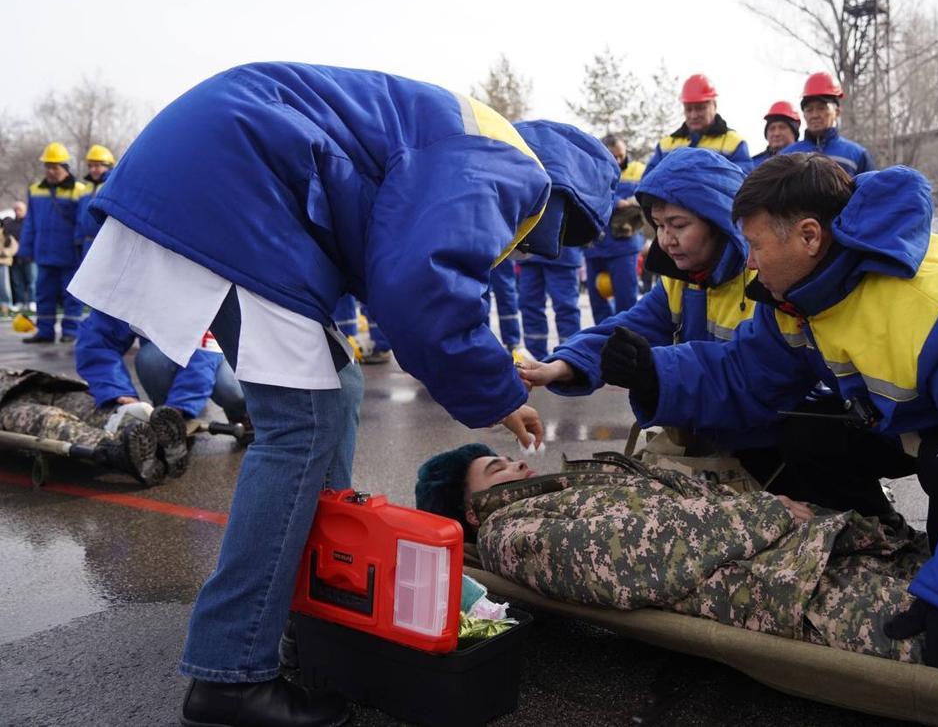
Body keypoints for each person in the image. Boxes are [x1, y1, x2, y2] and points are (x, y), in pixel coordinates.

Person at [65, 62, 611, 727]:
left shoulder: (471, 140)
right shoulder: (508, 166)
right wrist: (495, 389)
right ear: (565, 202)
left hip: (221, 174)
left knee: (339, 383)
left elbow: (389, 259)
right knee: (302, 429)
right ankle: (230, 675)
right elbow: (421, 286)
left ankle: (314, 603)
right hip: (239, 189)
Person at [598, 153, 938, 680]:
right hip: (918, 415)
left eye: (754, 245)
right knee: (806, 434)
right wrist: (654, 373)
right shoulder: (800, 292)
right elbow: (748, 372)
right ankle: (883, 541)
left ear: (808, 236)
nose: (747, 263)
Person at [415, 445, 938, 707]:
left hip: (821, 551)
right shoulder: (513, 534)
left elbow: (690, 500)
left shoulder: (578, 480)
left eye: (503, 458)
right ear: (468, 509)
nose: (512, 465)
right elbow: (634, 559)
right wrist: (771, 516)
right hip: (788, 590)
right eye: (491, 469)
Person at [521, 147, 763, 454]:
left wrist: (654, 369)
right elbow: (628, 328)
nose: (665, 240)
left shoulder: (764, 283)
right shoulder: (680, 280)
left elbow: (751, 375)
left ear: (720, 223)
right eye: (660, 225)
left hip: (761, 448)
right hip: (713, 439)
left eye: (678, 225)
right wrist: (561, 365)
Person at [75, 309, 247, 476]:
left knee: (229, 385)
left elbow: (204, 357)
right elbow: (97, 340)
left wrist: (180, 406)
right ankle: (165, 419)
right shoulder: (130, 283)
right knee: (151, 359)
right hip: (174, 355)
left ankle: (245, 413)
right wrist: (117, 393)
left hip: (226, 351)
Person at [512, 120, 618, 361]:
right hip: (530, 252)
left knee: (564, 306)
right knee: (530, 305)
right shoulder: (531, 161)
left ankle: (567, 357)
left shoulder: (571, 167)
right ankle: (538, 357)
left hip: (560, 253)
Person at [0, 368, 165, 484]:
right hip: (5, 404)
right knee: (48, 421)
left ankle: (143, 427)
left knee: (85, 403)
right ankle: (116, 449)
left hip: (28, 384)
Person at [20, 142, 91, 343]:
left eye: (55, 167)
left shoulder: (79, 190)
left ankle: (70, 331)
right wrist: (25, 247)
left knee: (71, 295)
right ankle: (45, 332)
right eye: (47, 167)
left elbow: (82, 221)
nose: (50, 171)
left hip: (70, 254)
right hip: (44, 253)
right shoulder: (35, 190)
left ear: (65, 168)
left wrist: (80, 246)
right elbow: (30, 221)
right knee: (44, 295)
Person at [583, 134, 646, 325]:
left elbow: (649, 196)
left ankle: (626, 339)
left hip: (624, 247)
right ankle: (602, 340)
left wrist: (631, 202)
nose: (618, 161)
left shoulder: (639, 171)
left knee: (626, 300)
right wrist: (617, 202)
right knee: (598, 300)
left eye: (621, 156)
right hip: (595, 246)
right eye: (613, 157)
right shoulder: (590, 172)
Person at [644, 74, 753, 174]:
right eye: (688, 109)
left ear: (714, 105)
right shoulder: (665, 145)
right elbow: (648, 183)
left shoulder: (734, 143)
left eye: (700, 108)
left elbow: (741, 182)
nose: (693, 115)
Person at [781, 72, 875, 176]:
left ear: (837, 112)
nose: (815, 115)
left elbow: (870, 191)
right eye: (809, 110)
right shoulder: (786, 156)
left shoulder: (857, 155)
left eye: (821, 108)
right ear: (804, 115)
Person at [75, 145, 116, 259]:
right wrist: (78, 239)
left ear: (108, 166)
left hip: (106, 243)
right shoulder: (85, 189)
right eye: (90, 166)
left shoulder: (113, 186)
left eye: (97, 165)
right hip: (87, 243)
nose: (93, 169)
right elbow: (80, 217)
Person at [3, 201, 35, 313]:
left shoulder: (30, 222)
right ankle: (20, 302)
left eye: (20, 209)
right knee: (17, 282)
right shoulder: (9, 224)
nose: (17, 211)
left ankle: (32, 302)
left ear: (25, 210)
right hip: (15, 259)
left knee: (31, 281)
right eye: (16, 209)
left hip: (29, 257)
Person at [751, 101, 800, 168]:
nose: (776, 133)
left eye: (782, 127)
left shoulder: (808, 159)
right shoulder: (753, 164)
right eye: (772, 128)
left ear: (794, 132)